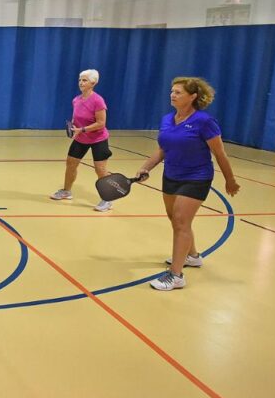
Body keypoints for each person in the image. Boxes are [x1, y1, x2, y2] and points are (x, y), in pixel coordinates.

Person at [136, 77, 240, 291]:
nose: (172, 95)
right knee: (175, 219)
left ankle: (176, 276)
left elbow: (219, 153)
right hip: (171, 175)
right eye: (172, 91)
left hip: (196, 177)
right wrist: (146, 167)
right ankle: (192, 256)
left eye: (178, 92)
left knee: (181, 222)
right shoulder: (167, 120)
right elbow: (164, 149)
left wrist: (230, 180)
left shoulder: (204, 121)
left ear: (192, 96)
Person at [50, 69, 115, 212]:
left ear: (93, 83)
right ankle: (66, 191)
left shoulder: (98, 100)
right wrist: (73, 127)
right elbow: (76, 118)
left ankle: (108, 199)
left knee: (100, 169)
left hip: (98, 139)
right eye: (80, 80)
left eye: (84, 80)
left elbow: (101, 123)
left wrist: (83, 129)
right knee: (71, 163)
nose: (81, 83)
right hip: (81, 137)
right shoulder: (76, 100)